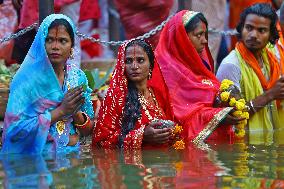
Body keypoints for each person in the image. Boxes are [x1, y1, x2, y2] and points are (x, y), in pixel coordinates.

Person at [1, 14, 94, 154]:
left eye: (62, 41)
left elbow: (88, 130)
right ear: (40, 43)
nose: (55, 46)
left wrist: (75, 113)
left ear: (71, 47)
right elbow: (14, 132)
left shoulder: (77, 77)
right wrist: (60, 111)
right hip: (36, 158)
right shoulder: (27, 80)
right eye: (49, 40)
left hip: (72, 155)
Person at [155, 10, 243, 144]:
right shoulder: (166, 72)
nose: (205, 40)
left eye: (205, 34)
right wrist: (217, 117)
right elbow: (177, 118)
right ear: (181, 38)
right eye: (199, 35)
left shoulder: (200, 66)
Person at [92, 39, 175, 149]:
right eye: (128, 61)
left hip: (163, 162)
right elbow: (101, 142)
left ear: (151, 65)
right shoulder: (115, 97)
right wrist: (142, 136)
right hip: (131, 163)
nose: (134, 66)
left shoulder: (157, 94)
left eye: (140, 60)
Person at [217, 3, 284, 131]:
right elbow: (230, 116)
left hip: (270, 139)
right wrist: (270, 95)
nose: (253, 35)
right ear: (241, 29)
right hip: (242, 144)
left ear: (271, 35)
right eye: (249, 28)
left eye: (261, 30)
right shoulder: (231, 65)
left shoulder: (271, 59)